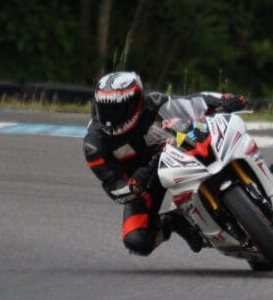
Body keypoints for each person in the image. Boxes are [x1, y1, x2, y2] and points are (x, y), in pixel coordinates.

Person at [83, 71, 246, 256]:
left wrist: (222, 101)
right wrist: (134, 184)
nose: (111, 117)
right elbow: (114, 188)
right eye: (105, 108)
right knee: (137, 240)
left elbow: (191, 103)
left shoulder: (153, 103)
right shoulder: (94, 145)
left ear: (136, 102)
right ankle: (174, 221)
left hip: (177, 153)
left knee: (219, 137)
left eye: (118, 108)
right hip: (145, 182)